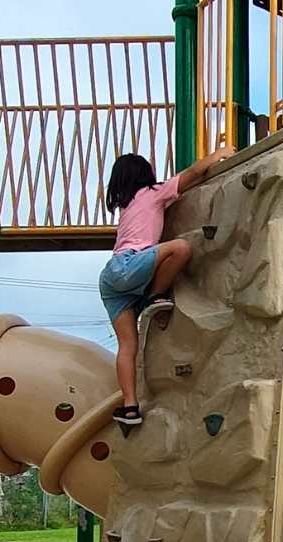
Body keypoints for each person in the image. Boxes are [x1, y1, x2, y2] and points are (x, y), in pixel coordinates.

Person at [100, 146, 234, 426]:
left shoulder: (127, 206)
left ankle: (130, 407)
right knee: (181, 248)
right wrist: (219, 154)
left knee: (127, 346)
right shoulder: (152, 193)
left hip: (111, 279)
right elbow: (193, 174)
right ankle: (155, 296)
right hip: (130, 266)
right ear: (145, 176)